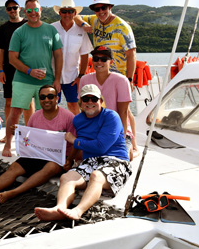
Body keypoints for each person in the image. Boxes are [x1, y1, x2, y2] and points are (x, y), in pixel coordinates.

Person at [34, 84, 132, 221]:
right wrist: (70, 160)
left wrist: (73, 140)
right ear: (81, 103)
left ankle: (78, 211)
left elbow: (100, 147)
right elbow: (79, 143)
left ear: (101, 101)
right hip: (90, 162)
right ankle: (59, 207)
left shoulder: (111, 116)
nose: (90, 102)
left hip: (116, 160)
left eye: (94, 99)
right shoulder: (78, 120)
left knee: (96, 176)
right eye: (86, 99)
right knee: (66, 178)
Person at [0, 85, 76, 204]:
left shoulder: (68, 117)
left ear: (56, 98)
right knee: (14, 167)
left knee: (50, 168)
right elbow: (29, 139)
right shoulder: (35, 116)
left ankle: (15, 192)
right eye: (42, 97)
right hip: (39, 154)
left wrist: (70, 160)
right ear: (39, 99)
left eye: (50, 96)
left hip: (58, 158)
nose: (46, 100)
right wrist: (19, 134)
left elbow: (75, 143)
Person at [75, 0, 138, 154]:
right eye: (97, 9)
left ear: (110, 8)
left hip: (120, 74)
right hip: (100, 69)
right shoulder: (94, 20)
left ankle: (132, 142)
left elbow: (131, 54)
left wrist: (129, 78)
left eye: (104, 8)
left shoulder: (122, 27)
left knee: (124, 110)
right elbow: (75, 15)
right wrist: (83, 24)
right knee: (101, 105)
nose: (101, 11)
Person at [2, 0, 63, 157]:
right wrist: (30, 71)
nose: (33, 13)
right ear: (25, 12)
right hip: (23, 79)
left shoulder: (51, 30)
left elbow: (58, 55)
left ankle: (42, 147)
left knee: (47, 113)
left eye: (35, 10)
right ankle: (8, 145)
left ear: (41, 10)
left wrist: (57, 79)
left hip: (46, 80)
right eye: (29, 11)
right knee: (15, 112)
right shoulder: (19, 32)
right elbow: (12, 58)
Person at [80, 46, 135, 160]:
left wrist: (121, 140)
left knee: (122, 157)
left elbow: (123, 113)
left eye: (104, 59)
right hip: (94, 130)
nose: (99, 62)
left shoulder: (121, 80)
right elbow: (83, 110)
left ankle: (132, 147)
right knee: (80, 156)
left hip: (117, 130)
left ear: (111, 62)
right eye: (96, 58)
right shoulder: (84, 80)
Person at [0, 0, 34, 128]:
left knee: (28, 102)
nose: (12, 10)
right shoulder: (3, 28)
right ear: (6, 11)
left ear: (19, 8)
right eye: (9, 8)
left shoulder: (29, 24)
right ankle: (9, 132)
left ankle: (29, 131)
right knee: (9, 101)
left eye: (15, 7)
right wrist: (0, 70)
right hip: (9, 70)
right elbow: (1, 51)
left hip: (27, 69)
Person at [52, 0, 93, 115]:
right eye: (64, 11)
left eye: (70, 11)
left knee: (74, 106)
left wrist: (81, 76)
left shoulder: (81, 31)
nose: (67, 14)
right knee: (52, 106)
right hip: (53, 77)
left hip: (73, 78)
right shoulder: (51, 28)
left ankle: (77, 130)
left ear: (75, 13)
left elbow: (85, 55)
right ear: (59, 13)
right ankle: (54, 132)